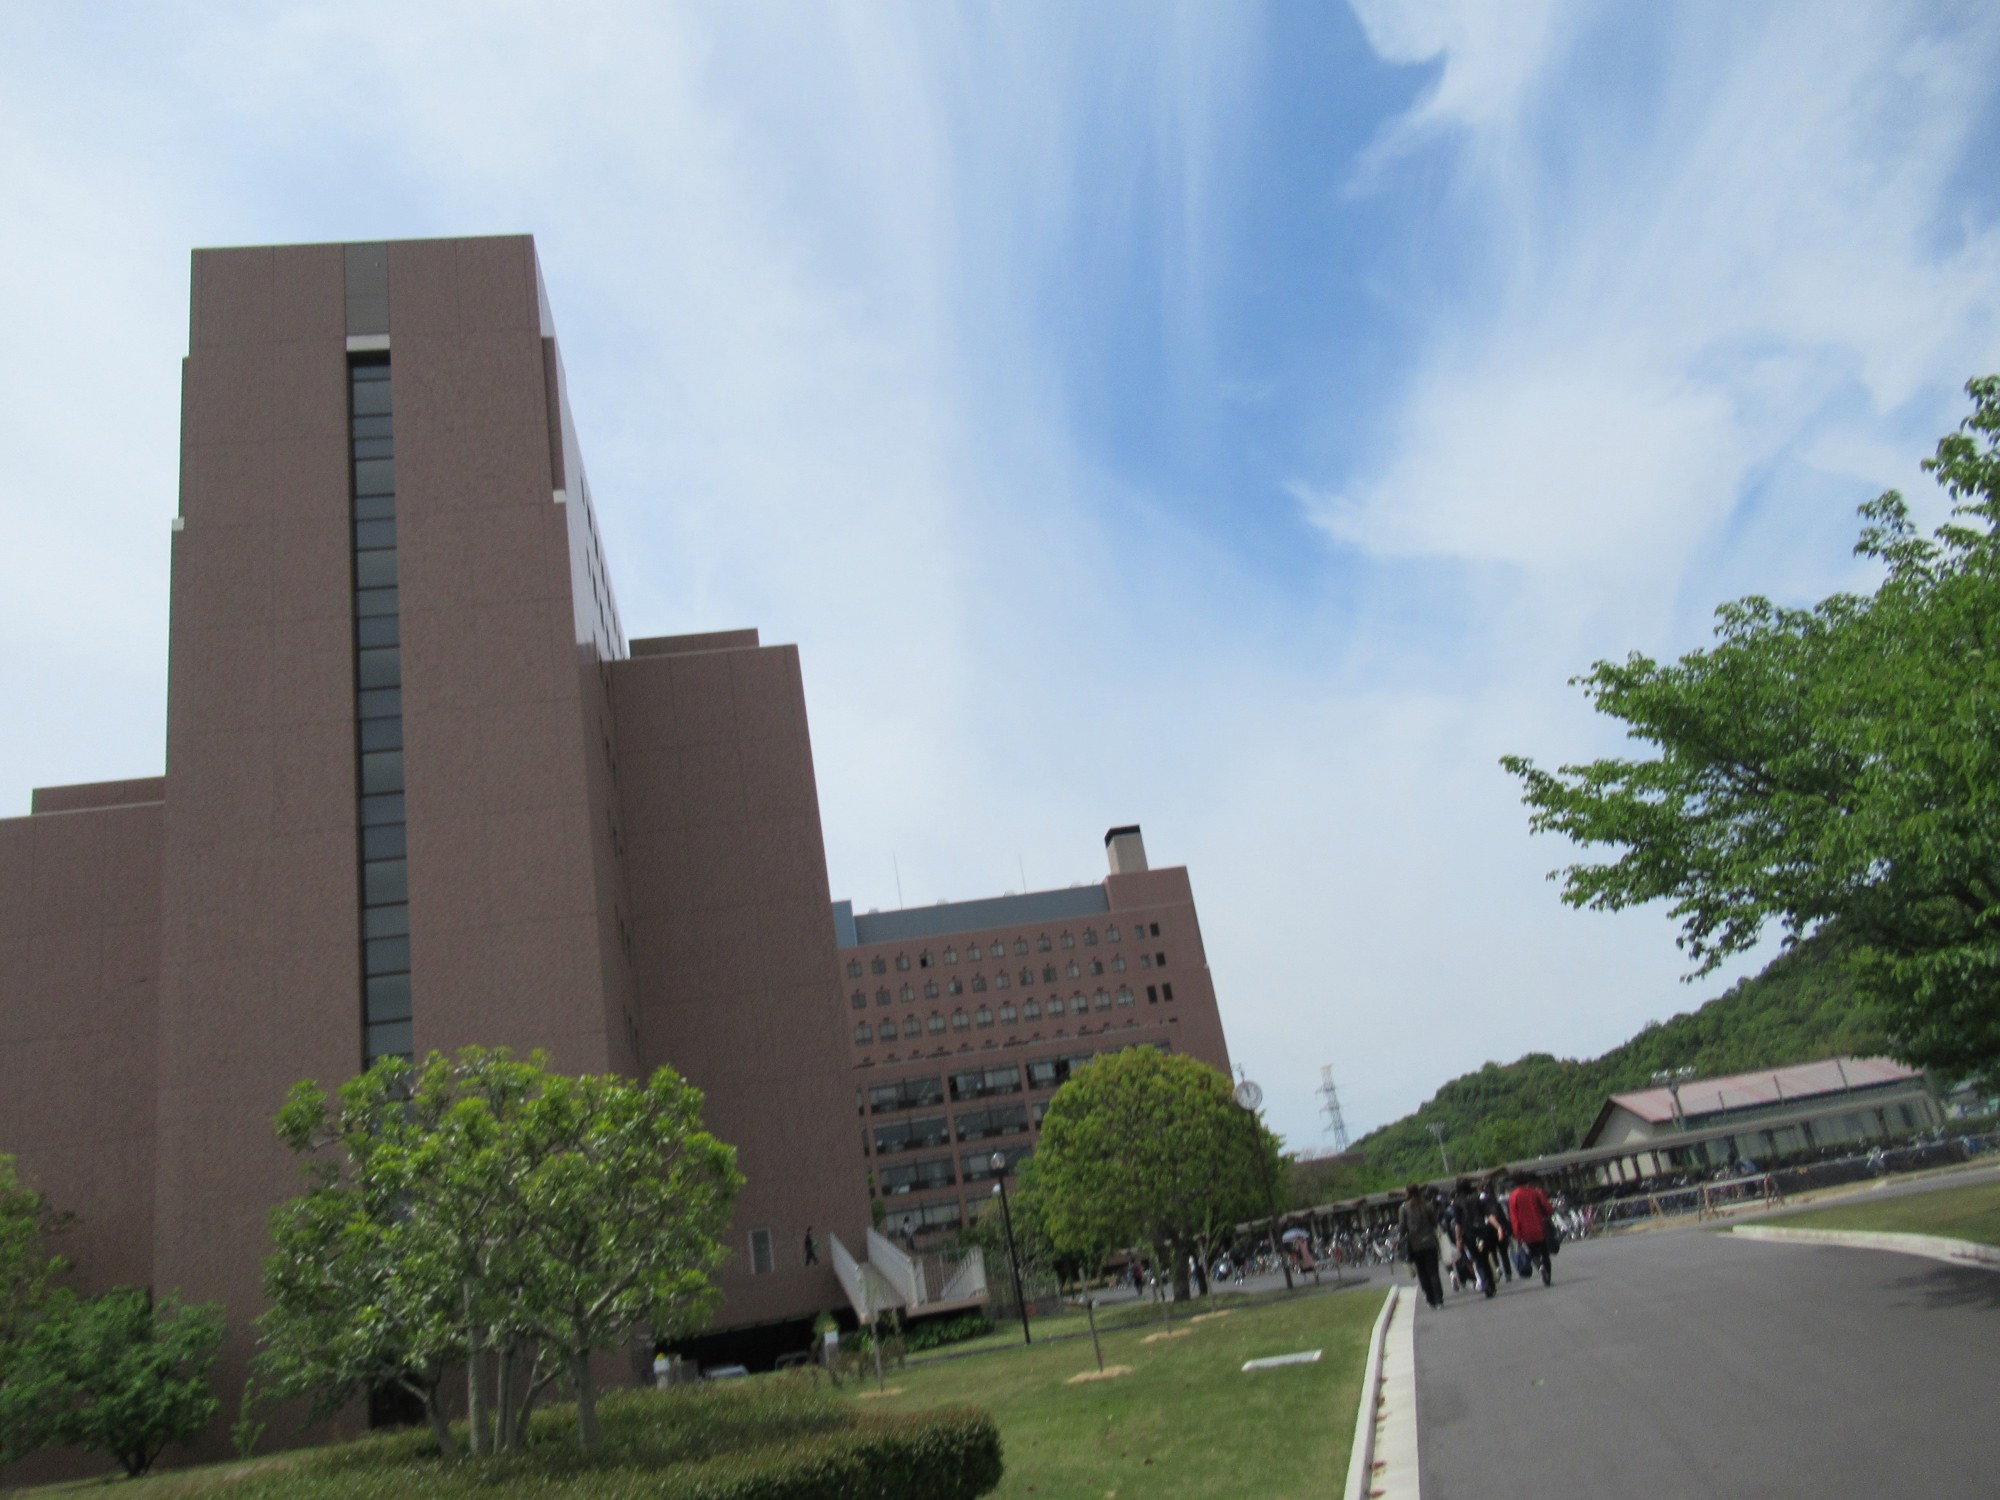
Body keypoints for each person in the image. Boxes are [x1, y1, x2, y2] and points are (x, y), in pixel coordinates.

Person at [1398, 1183, 1445, 1309]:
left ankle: (1430, 1299)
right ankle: (1439, 1299)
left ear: (1409, 1193)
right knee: (1433, 1272)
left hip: (1415, 1245)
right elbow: (1434, 1223)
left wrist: (1403, 1236)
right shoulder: (1427, 1205)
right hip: (1430, 1242)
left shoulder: (1404, 1208)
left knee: (1422, 1273)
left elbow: (1402, 1227)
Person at [1507, 1170, 1557, 1286]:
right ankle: (1548, 1277)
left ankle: (1540, 1267)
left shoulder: (1513, 1196)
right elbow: (1548, 1208)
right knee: (1544, 1253)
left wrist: (1517, 1233)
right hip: (1540, 1227)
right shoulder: (1535, 1192)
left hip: (1525, 1231)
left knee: (1533, 1253)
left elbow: (1514, 1217)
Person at [1452, 1179, 1499, 1298]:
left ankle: (1486, 1282)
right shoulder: (1478, 1199)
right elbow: (1488, 1215)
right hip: (1482, 1232)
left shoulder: (1457, 1204)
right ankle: (1490, 1283)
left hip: (1469, 1235)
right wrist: (1498, 1227)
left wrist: (1458, 1239)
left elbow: (1458, 1223)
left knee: (1478, 1259)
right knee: (1485, 1257)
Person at [1483, 1175, 1514, 1283]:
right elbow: (1505, 1217)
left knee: (1493, 1252)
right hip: (1501, 1228)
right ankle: (1508, 1273)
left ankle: (1497, 1268)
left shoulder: (1482, 1203)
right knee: (1504, 1253)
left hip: (1489, 1230)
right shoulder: (1498, 1201)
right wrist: (1508, 1229)